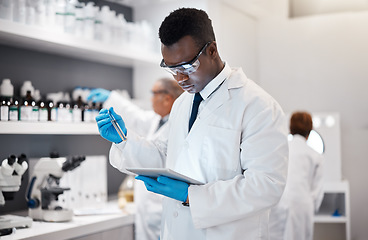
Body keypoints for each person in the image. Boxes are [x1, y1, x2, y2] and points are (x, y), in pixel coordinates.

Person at [96, 8, 289, 240]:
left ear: (212, 50)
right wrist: (125, 141)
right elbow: (166, 153)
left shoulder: (258, 106)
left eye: (187, 67)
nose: (180, 79)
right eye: (172, 69)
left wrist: (192, 197)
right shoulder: (182, 104)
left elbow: (266, 187)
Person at [88, 78, 183, 240]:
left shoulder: (179, 125)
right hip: (147, 207)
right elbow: (135, 116)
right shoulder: (156, 120)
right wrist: (111, 98)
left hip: (166, 205)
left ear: (167, 98)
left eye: (154, 93)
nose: (151, 98)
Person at [269, 111, 324, 240]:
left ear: (290, 128)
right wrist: (311, 207)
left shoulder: (279, 149)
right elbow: (317, 191)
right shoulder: (316, 155)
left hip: (278, 202)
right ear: (310, 129)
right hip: (302, 205)